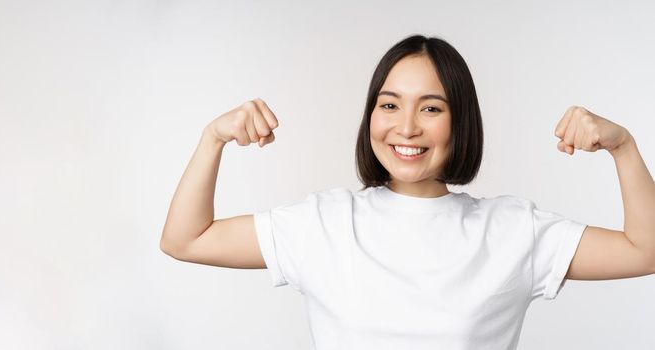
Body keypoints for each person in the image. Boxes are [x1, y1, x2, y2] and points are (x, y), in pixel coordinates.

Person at [159, 34, 655, 349]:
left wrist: (625, 148)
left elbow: (644, 251)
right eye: (390, 105)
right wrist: (213, 138)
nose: (407, 127)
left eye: (432, 108)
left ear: (461, 122)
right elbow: (186, 240)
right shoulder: (324, 223)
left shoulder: (511, 232)